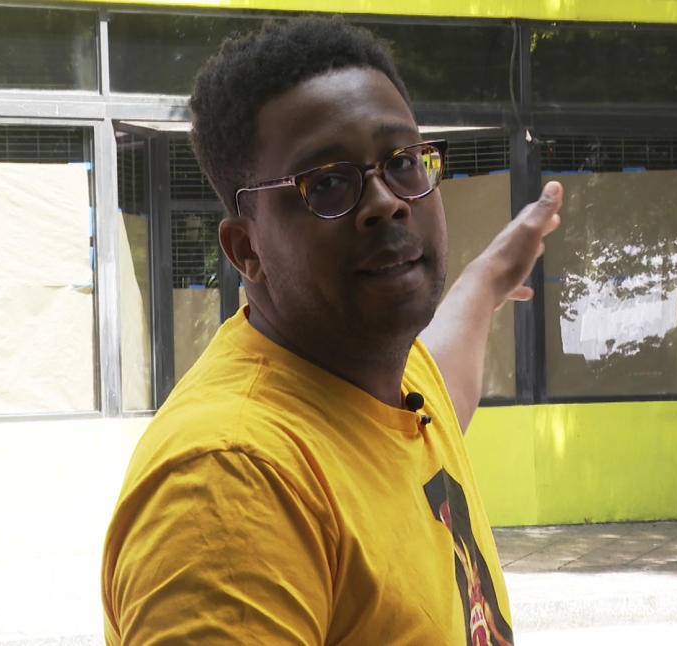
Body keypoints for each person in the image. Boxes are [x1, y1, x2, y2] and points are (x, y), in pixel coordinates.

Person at [102, 16, 562, 645]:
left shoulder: (391, 375)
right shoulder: (231, 484)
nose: (386, 201)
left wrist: (486, 279)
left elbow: (446, 373)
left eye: (402, 161)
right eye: (327, 183)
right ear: (246, 249)